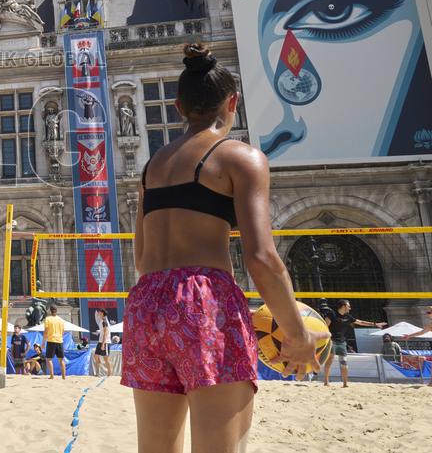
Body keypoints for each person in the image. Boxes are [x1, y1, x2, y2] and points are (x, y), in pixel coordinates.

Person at [123, 44, 327, 453]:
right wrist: (296, 332)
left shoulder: (152, 168)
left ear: (179, 105)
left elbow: (142, 259)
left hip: (146, 303)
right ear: (233, 102)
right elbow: (262, 258)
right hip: (205, 302)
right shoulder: (240, 157)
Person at [322, 299, 386, 388]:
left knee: (344, 362)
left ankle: (345, 384)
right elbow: (324, 327)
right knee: (330, 360)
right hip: (331, 341)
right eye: (348, 306)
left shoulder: (348, 316)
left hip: (342, 342)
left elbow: (361, 322)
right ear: (343, 306)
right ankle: (326, 381)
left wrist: (375, 324)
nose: (350, 308)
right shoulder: (331, 314)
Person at [403, 305, 432, 387]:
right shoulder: (429, 325)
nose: (428, 314)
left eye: (429, 312)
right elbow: (421, 332)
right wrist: (409, 335)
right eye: (428, 312)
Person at [43, 305, 66, 380]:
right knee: (61, 359)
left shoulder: (48, 319)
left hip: (51, 340)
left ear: (50, 311)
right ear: (56, 311)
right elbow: (63, 331)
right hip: (59, 341)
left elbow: (46, 331)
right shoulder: (61, 320)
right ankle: (63, 376)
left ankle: (52, 375)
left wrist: (43, 342)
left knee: (49, 359)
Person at [92, 309, 113, 377]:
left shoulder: (104, 321)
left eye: (99, 312)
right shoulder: (101, 321)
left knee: (106, 358)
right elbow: (103, 332)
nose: (98, 313)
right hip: (100, 341)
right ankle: (99, 372)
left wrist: (103, 344)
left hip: (105, 342)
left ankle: (109, 374)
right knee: (95, 356)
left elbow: (106, 333)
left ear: (102, 313)